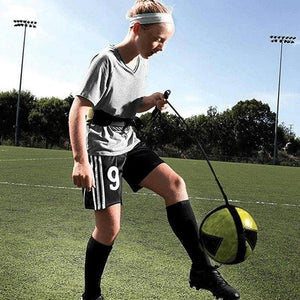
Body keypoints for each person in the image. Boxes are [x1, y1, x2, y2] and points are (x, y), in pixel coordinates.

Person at [69, 1, 240, 299]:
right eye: (158, 39)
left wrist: (152, 99)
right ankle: (91, 296)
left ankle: (203, 269)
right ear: (137, 28)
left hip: (129, 141)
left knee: (175, 184)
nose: (161, 46)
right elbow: (78, 110)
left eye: (165, 41)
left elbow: (130, 105)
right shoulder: (105, 61)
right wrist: (80, 161)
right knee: (109, 229)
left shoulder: (143, 61)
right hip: (101, 148)